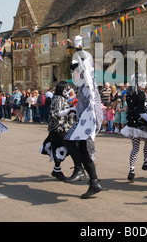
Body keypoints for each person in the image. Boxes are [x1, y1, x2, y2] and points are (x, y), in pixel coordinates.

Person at [65, 35, 103, 199]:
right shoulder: (81, 85)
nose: (73, 74)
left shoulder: (88, 80)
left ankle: (81, 170)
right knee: (82, 148)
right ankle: (93, 182)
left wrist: (78, 50)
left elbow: (86, 65)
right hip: (84, 118)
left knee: (70, 140)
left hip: (90, 118)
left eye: (75, 71)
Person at [121, 73, 147, 182]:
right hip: (142, 123)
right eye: (143, 80)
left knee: (135, 147)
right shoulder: (141, 93)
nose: (145, 83)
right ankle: (146, 162)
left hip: (132, 122)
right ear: (137, 82)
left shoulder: (129, 93)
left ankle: (131, 170)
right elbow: (142, 112)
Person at [40, 81, 76, 181]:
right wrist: (70, 110)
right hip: (58, 128)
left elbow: (66, 113)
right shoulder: (58, 98)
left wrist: (73, 112)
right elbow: (57, 113)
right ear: (61, 89)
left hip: (63, 127)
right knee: (70, 146)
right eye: (66, 89)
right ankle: (77, 168)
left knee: (61, 148)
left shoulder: (62, 98)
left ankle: (57, 170)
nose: (68, 91)